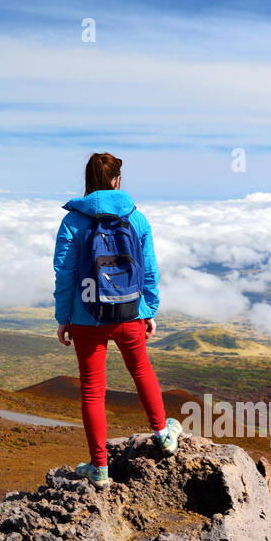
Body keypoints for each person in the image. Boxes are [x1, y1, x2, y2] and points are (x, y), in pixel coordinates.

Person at [53, 152, 180, 487]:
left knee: (93, 390)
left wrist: (63, 317)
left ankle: (100, 469)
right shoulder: (136, 219)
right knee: (141, 370)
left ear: (89, 181)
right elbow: (149, 268)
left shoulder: (73, 221)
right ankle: (164, 436)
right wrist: (148, 309)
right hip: (129, 313)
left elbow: (64, 274)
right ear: (117, 180)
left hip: (85, 316)